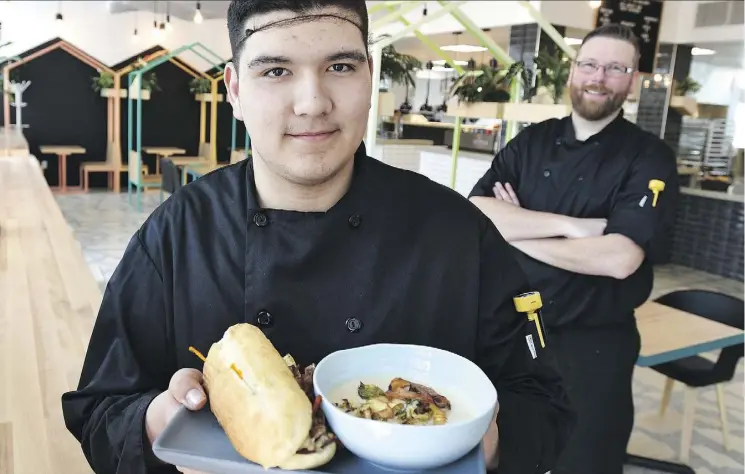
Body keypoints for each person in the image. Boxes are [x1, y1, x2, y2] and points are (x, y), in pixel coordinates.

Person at [61, 1, 575, 473]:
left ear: (370, 78)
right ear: (235, 90)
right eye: (276, 70)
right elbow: (99, 412)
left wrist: (475, 443)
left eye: (340, 67)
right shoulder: (175, 236)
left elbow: (545, 404)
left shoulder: (459, 233)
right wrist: (162, 418)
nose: (312, 102)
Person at [469, 24, 680, 474]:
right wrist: (573, 228)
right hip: (515, 331)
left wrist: (519, 230)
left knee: (584, 462)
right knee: (511, 452)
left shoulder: (648, 157)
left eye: (614, 68)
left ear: (633, 79)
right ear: (573, 70)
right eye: (589, 64)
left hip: (593, 344)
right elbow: (478, 213)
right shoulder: (531, 141)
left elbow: (620, 259)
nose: (598, 77)